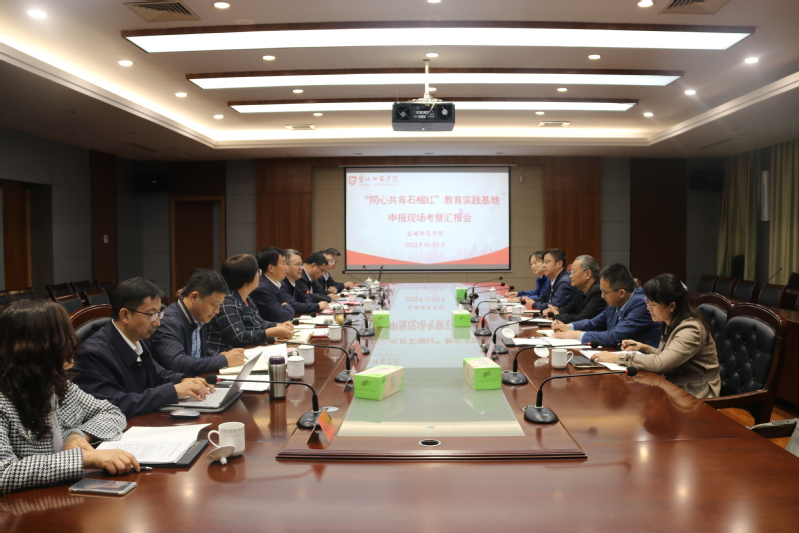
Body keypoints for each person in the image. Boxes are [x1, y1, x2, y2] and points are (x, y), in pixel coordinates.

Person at [0, 300, 140, 494]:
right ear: (33, 347)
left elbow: (112, 412)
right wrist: (85, 458)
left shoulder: (57, 385)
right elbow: (3, 473)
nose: (73, 343)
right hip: (22, 508)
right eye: (63, 337)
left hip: (62, 495)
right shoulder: (3, 401)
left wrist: (77, 435)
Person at [72, 278, 214, 419]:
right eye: (151, 315)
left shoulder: (137, 338)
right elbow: (115, 405)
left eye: (159, 314)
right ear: (125, 315)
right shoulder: (92, 354)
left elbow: (157, 375)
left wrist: (184, 380)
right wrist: (173, 391)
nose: (157, 323)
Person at [591, 273, 721, 399]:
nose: (648, 308)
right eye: (647, 301)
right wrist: (645, 348)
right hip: (675, 386)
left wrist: (618, 357)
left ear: (672, 305)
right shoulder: (672, 320)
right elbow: (668, 356)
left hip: (696, 393)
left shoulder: (691, 330)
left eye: (653, 304)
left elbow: (661, 364)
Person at [148, 269, 246, 375]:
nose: (217, 311)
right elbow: (177, 363)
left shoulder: (198, 315)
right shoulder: (168, 322)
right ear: (194, 297)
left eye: (219, 305)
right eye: (214, 305)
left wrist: (217, 356)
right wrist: (223, 360)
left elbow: (199, 352)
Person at [552, 263, 660, 349]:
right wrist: (569, 327)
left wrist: (577, 335)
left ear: (621, 293)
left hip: (642, 363)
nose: (602, 296)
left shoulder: (642, 304)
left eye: (605, 292)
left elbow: (614, 337)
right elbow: (594, 323)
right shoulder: (615, 301)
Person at [206, 254, 295, 353]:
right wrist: (268, 333)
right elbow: (239, 338)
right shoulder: (227, 302)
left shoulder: (247, 299)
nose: (259, 276)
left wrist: (278, 325)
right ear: (248, 278)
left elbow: (259, 323)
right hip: (224, 356)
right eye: (257, 272)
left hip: (245, 353)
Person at [544, 254, 606, 323]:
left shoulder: (598, 292)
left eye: (573, 272)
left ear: (588, 274)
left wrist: (557, 316)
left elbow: (582, 319)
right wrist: (556, 311)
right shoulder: (581, 290)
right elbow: (569, 309)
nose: (570, 276)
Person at [250, 246, 296, 323]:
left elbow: (291, 305)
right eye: (284, 263)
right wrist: (286, 306)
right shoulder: (261, 289)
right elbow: (282, 316)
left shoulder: (277, 283)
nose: (286, 267)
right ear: (271, 268)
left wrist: (286, 306)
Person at [281, 249, 330, 315]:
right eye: (297, 264)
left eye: (301, 264)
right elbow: (293, 305)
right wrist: (317, 306)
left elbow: (307, 297)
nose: (301, 268)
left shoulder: (294, 283)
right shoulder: (281, 284)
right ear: (286, 266)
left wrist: (309, 306)